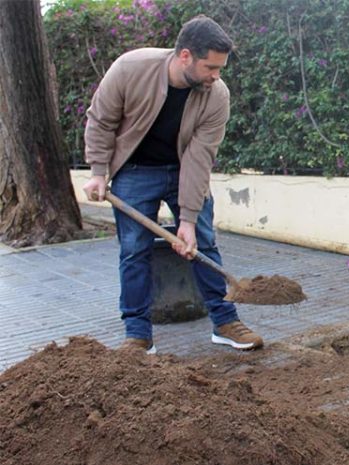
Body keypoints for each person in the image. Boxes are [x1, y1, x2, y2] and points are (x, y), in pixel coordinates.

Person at [82, 15, 263, 354]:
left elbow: (199, 158)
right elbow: (101, 120)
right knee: (134, 250)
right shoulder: (130, 69)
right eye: (210, 67)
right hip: (135, 170)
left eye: (220, 68)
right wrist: (97, 171)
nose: (216, 76)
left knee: (204, 243)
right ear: (184, 56)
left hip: (183, 169)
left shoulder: (216, 95)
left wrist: (189, 220)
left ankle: (225, 322)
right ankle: (138, 335)